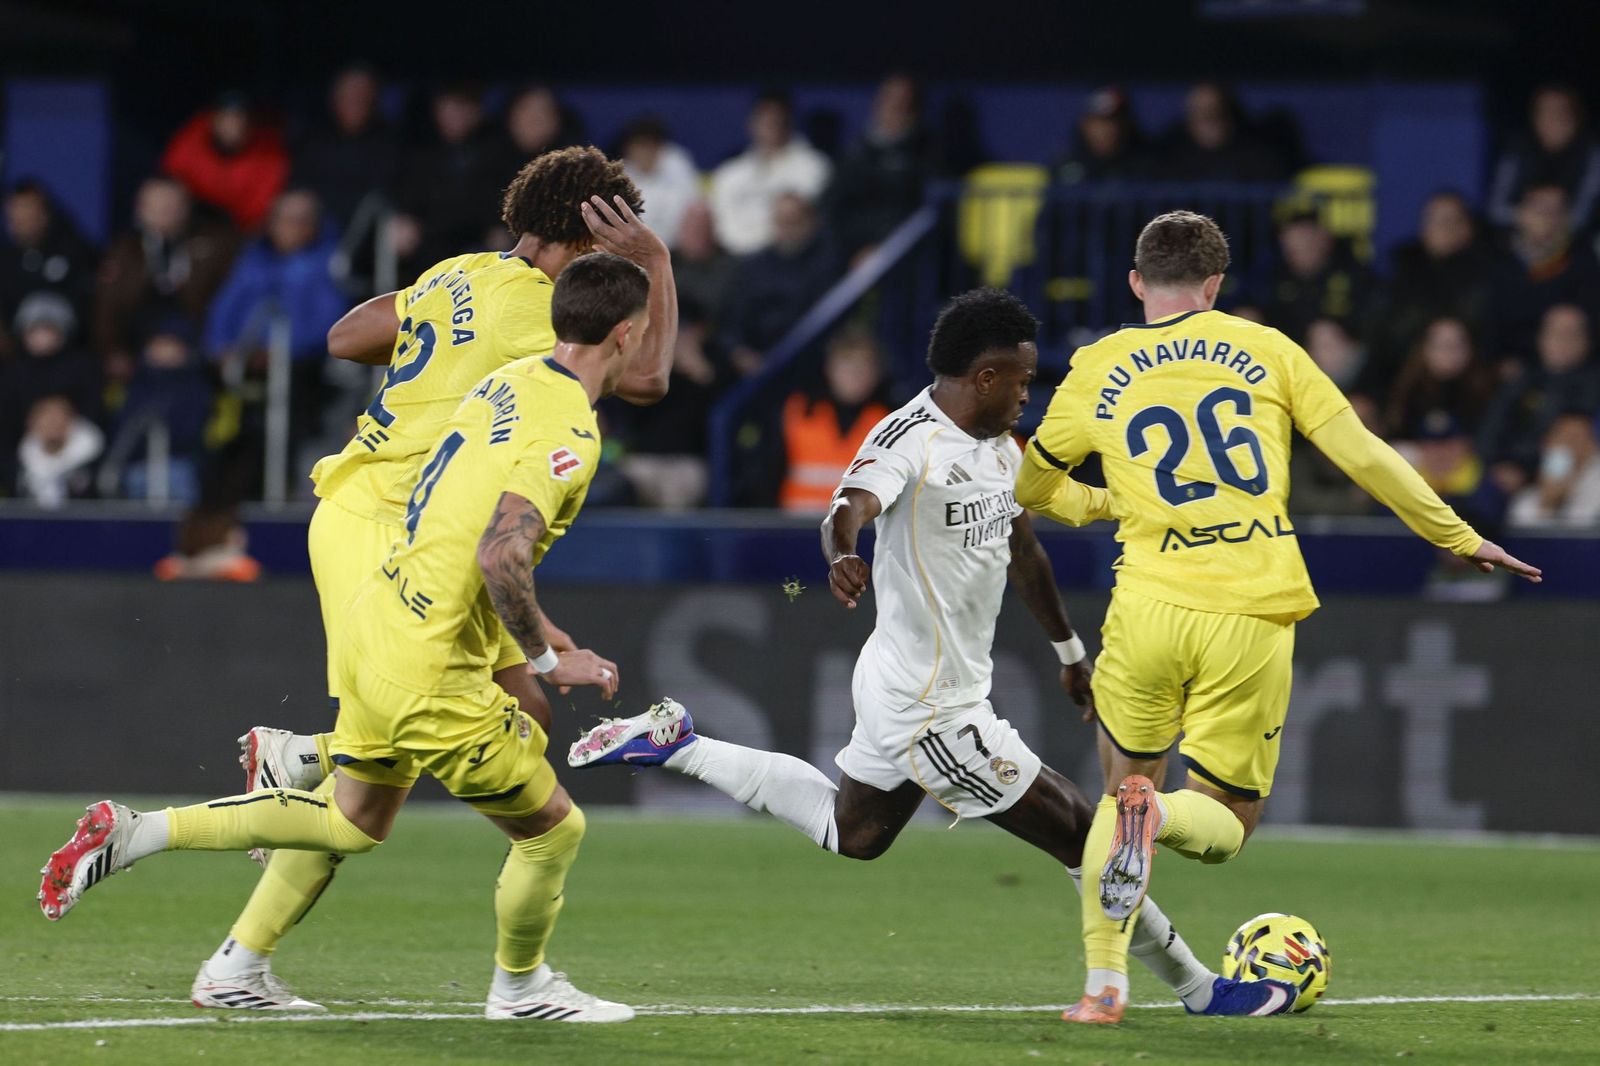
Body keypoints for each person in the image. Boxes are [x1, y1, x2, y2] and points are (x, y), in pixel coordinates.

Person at [569, 288, 1301, 1022]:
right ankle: (1198, 987)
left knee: (852, 833)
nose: (1026, 392)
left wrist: (1069, 652)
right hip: (931, 711)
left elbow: (1024, 551)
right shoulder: (906, 439)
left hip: (911, 687)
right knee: (1090, 834)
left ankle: (680, 743)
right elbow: (847, 506)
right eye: (1019, 379)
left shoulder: (1000, 448)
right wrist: (841, 554)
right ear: (983, 377)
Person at [39, 252, 651, 1023]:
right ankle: (522, 990)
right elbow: (501, 553)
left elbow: (457, 525)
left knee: (352, 820)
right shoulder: (570, 431)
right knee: (553, 831)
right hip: (430, 661)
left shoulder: (501, 385)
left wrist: (544, 641)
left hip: (384, 620)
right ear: (625, 334)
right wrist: (548, 654)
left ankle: (141, 831)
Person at [174, 147, 674, 1010]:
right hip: (395, 527)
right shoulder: (545, 315)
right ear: (585, 231)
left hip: (358, 509)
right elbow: (653, 377)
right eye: (609, 236)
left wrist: (440, 371)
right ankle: (304, 765)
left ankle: (240, 961)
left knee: (465, 742)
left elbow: (346, 334)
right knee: (412, 762)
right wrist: (656, 264)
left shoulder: (458, 274)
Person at [1013, 211, 1540, 1022]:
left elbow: (1033, 490)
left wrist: (1113, 501)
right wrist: (1459, 535)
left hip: (1147, 606)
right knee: (1223, 822)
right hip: (1250, 612)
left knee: (1116, 793)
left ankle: (1102, 987)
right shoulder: (1268, 350)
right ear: (1216, 285)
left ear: (1135, 282)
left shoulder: (1098, 364)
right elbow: (1363, 454)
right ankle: (1159, 816)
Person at [93, 176, 238, 382]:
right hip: (138, 342)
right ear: (140, 209)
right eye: (157, 205)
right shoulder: (123, 250)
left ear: (187, 207)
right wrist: (112, 350)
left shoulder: (217, 244)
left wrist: (222, 346)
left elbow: (231, 301)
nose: (165, 212)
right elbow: (107, 306)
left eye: (172, 205)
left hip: (199, 342)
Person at [775, 325, 891, 512]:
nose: (855, 374)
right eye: (847, 363)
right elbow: (767, 477)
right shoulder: (797, 411)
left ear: (877, 372)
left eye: (865, 364)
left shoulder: (892, 422)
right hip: (795, 532)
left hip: (863, 535)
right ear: (829, 368)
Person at [718, 193, 836, 374]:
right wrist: (739, 352)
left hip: (810, 363)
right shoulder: (752, 267)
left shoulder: (827, 264)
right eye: (780, 221)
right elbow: (732, 322)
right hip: (756, 366)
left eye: (793, 221)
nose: (787, 228)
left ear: (811, 222)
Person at [826, 74, 938, 264]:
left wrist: (883, 249)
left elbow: (923, 214)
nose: (895, 109)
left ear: (915, 109)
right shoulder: (855, 153)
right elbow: (835, 208)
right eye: (889, 101)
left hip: (905, 256)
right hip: (853, 256)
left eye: (904, 103)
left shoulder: (929, 154)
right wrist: (855, 250)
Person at [709, 90, 831, 255]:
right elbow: (721, 227)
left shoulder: (814, 167)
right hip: (733, 260)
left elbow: (801, 225)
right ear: (751, 123)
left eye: (778, 120)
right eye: (765, 120)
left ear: (789, 122)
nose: (772, 126)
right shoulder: (729, 173)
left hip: (788, 258)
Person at [1490, 183, 1600, 363]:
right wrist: (1500, 363)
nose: (1547, 216)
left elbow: (1592, 323)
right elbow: (1492, 326)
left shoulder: (1584, 261)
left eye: (1555, 210)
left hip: (1573, 366)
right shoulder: (1502, 262)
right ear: (1520, 214)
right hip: (1514, 367)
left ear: (1566, 217)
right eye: (1539, 208)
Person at [289, 65, 401, 233]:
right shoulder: (315, 140)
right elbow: (299, 183)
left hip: (362, 231)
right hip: (313, 225)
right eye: (347, 95)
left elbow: (385, 195)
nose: (354, 101)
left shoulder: (389, 144)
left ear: (373, 100)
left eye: (361, 95)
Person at [161, 93, 290, 231]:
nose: (232, 126)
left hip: (236, 228)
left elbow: (258, 210)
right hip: (190, 217)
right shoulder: (193, 137)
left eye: (239, 119)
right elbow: (170, 178)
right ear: (213, 119)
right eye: (226, 118)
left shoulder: (270, 154)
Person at [1488, 85, 1600, 236]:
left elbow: (1584, 214)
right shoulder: (1518, 149)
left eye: (1562, 112)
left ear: (1576, 117)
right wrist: (1527, 216)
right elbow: (1495, 209)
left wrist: (1552, 218)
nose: (1554, 119)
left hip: (1579, 238)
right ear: (1535, 118)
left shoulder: (1592, 151)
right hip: (1521, 235)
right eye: (1546, 112)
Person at [0, 180, 98, 351]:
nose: (19, 220)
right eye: (13, 215)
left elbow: (90, 303)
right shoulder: (5, 259)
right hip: (15, 357)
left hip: (72, 352)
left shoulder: (75, 251)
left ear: (44, 213)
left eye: (27, 211)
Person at [618, 115, 701, 250]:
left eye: (652, 145)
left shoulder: (677, 163)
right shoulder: (621, 175)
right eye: (640, 146)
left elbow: (689, 207)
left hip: (677, 250)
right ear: (629, 148)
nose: (646, 152)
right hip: (634, 251)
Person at [1507, 413, 1600, 528]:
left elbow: (1582, 531)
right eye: (1562, 437)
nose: (1569, 445)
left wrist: (1559, 499)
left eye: (1577, 438)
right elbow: (1520, 531)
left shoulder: (1596, 484)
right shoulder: (1531, 494)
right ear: (1546, 443)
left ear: (1593, 445)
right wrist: (1547, 503)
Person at [15, 394, 101, 506]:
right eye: (46, 418)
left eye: (58, 417)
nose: (52, 424)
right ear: (32, 423)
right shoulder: (19, 465)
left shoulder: (95, 464)